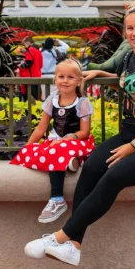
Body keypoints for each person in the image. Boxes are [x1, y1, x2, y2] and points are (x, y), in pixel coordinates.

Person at [24, 0, 135, 267]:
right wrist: (99, 72)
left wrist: (134, 146)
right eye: (130, 28)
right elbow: (128, 82)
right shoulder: (130, 57)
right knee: (92, 168)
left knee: (113, 176)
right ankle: (74, 246)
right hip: (127, 135)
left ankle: (60, 237)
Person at [11, 58, 94, 224]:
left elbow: (85, 132)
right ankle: (72, 161)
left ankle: (57, 199)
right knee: (32, 152)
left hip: (77, 140)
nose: (65, 81)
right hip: (56, 143)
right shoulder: (51, 100)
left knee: (57, 150)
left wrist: (67, 139)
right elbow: (41, 129)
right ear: (55, 79)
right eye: (61, 77)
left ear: (79, 81)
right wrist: (28, 146)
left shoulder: (82, 103)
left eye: (70, 77)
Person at [18, 36, 43, 102]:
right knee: (37, 98)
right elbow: (41, 65)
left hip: (29, 77)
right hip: (37, 76)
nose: (24, 46)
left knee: (28, 99)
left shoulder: (30, 50)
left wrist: (21, 65)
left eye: (24, 44)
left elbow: (29, 62)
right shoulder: (38, 51)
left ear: (28, 43)